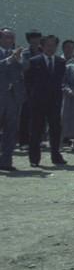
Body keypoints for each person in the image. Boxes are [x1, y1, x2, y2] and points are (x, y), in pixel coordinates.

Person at [26, 35, 67, 167]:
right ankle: (34, 158)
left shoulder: (61, 62)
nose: (51, 48)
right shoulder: (34, 61)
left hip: (54, 101)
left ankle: (56, 156)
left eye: (53, 45)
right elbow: (28, 82)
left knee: (55, 129)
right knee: (36, 130)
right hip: (37, 101)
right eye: (48, 45)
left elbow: (61, 81)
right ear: (42, 46)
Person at [0, 29, 26, 172]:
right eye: (7, 37)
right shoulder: (7, 56)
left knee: (11, 131)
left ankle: (6, 161)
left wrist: (19, 59)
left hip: (13, 97)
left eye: (12, 37)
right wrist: (10, 60)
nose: (10, 40)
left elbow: (26, 68)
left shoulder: (16, 54)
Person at [18, 29, 43, 149]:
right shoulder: (25, 52)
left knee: (40, 114)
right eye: (33, 38)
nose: (36, 40)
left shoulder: (43, 51)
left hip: (42, 86)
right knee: (26, 114)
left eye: (37, 37)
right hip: (28, 87)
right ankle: (24, 141)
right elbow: (24, 67)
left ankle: (38, 139)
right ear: (29, 39)